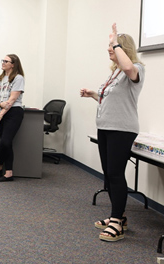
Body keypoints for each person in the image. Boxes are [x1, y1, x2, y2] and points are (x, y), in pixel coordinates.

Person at [80, 23, 145, 242]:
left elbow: (129, 69)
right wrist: (92, 94)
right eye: (109, 46)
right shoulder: (115, 73)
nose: (109, 49)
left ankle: (116, 221)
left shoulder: (135, 68)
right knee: (109, 174)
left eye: (113, 46)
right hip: (106, 127)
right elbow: (111, 101)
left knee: (116, 174)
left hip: (122, 129)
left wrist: (115, 40)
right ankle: (119, 216)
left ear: (123, 48)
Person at [0, 54, 25, 182]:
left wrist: (0, 115)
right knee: (7, 143)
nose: (3, 62)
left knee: (5, 141)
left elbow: (12, 99)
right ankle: (9, 172)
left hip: (13, 112)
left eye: (6, 61)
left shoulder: (18, 78)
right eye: (2, 60)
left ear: (13, 64)